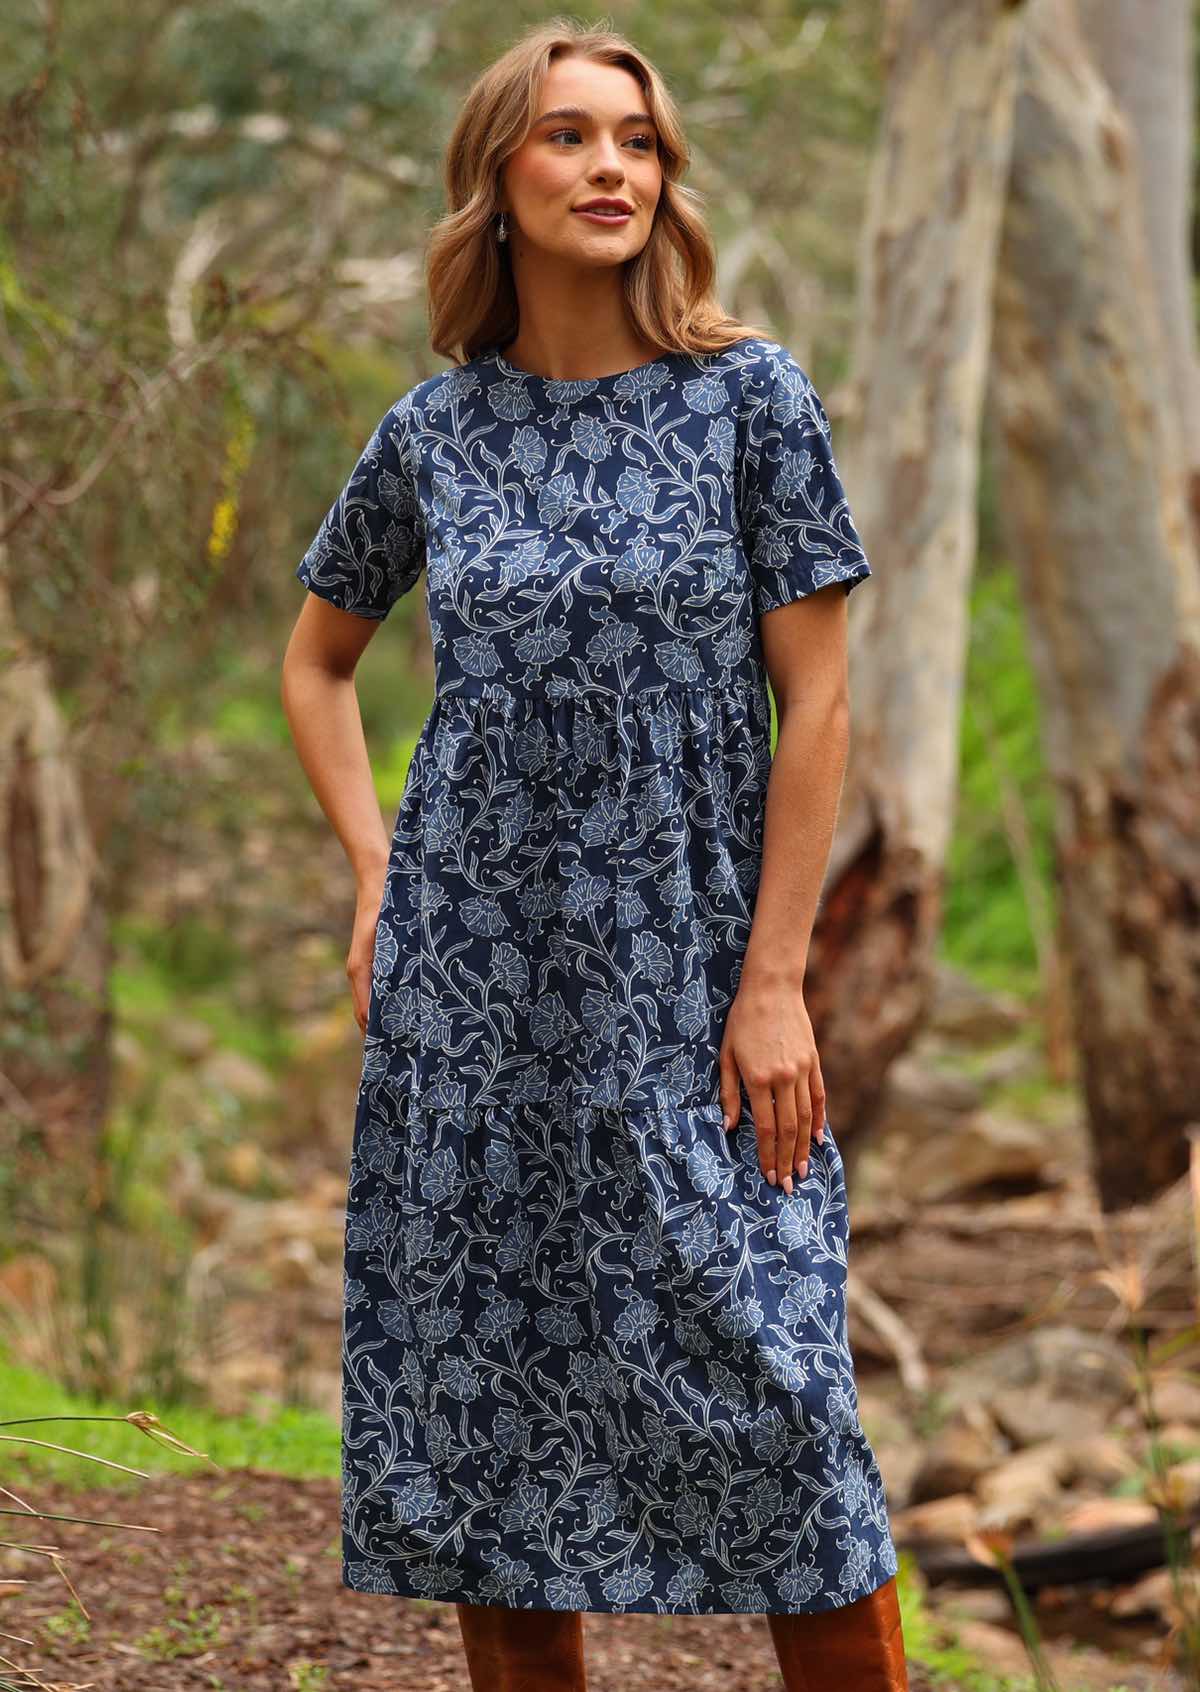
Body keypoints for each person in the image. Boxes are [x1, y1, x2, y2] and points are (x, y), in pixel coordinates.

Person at [281, 16, 908, 1692]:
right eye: (568, 136)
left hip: (697, 977)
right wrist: (374, 869)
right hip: (476, 994)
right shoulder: (435, 432)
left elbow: (820, 698)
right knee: (489, 1429)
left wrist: (775, 980)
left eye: (636, 139)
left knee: (785, 1419)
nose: (612, 166)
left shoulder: (747, 399)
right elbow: (317, 658)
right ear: (497, 178)